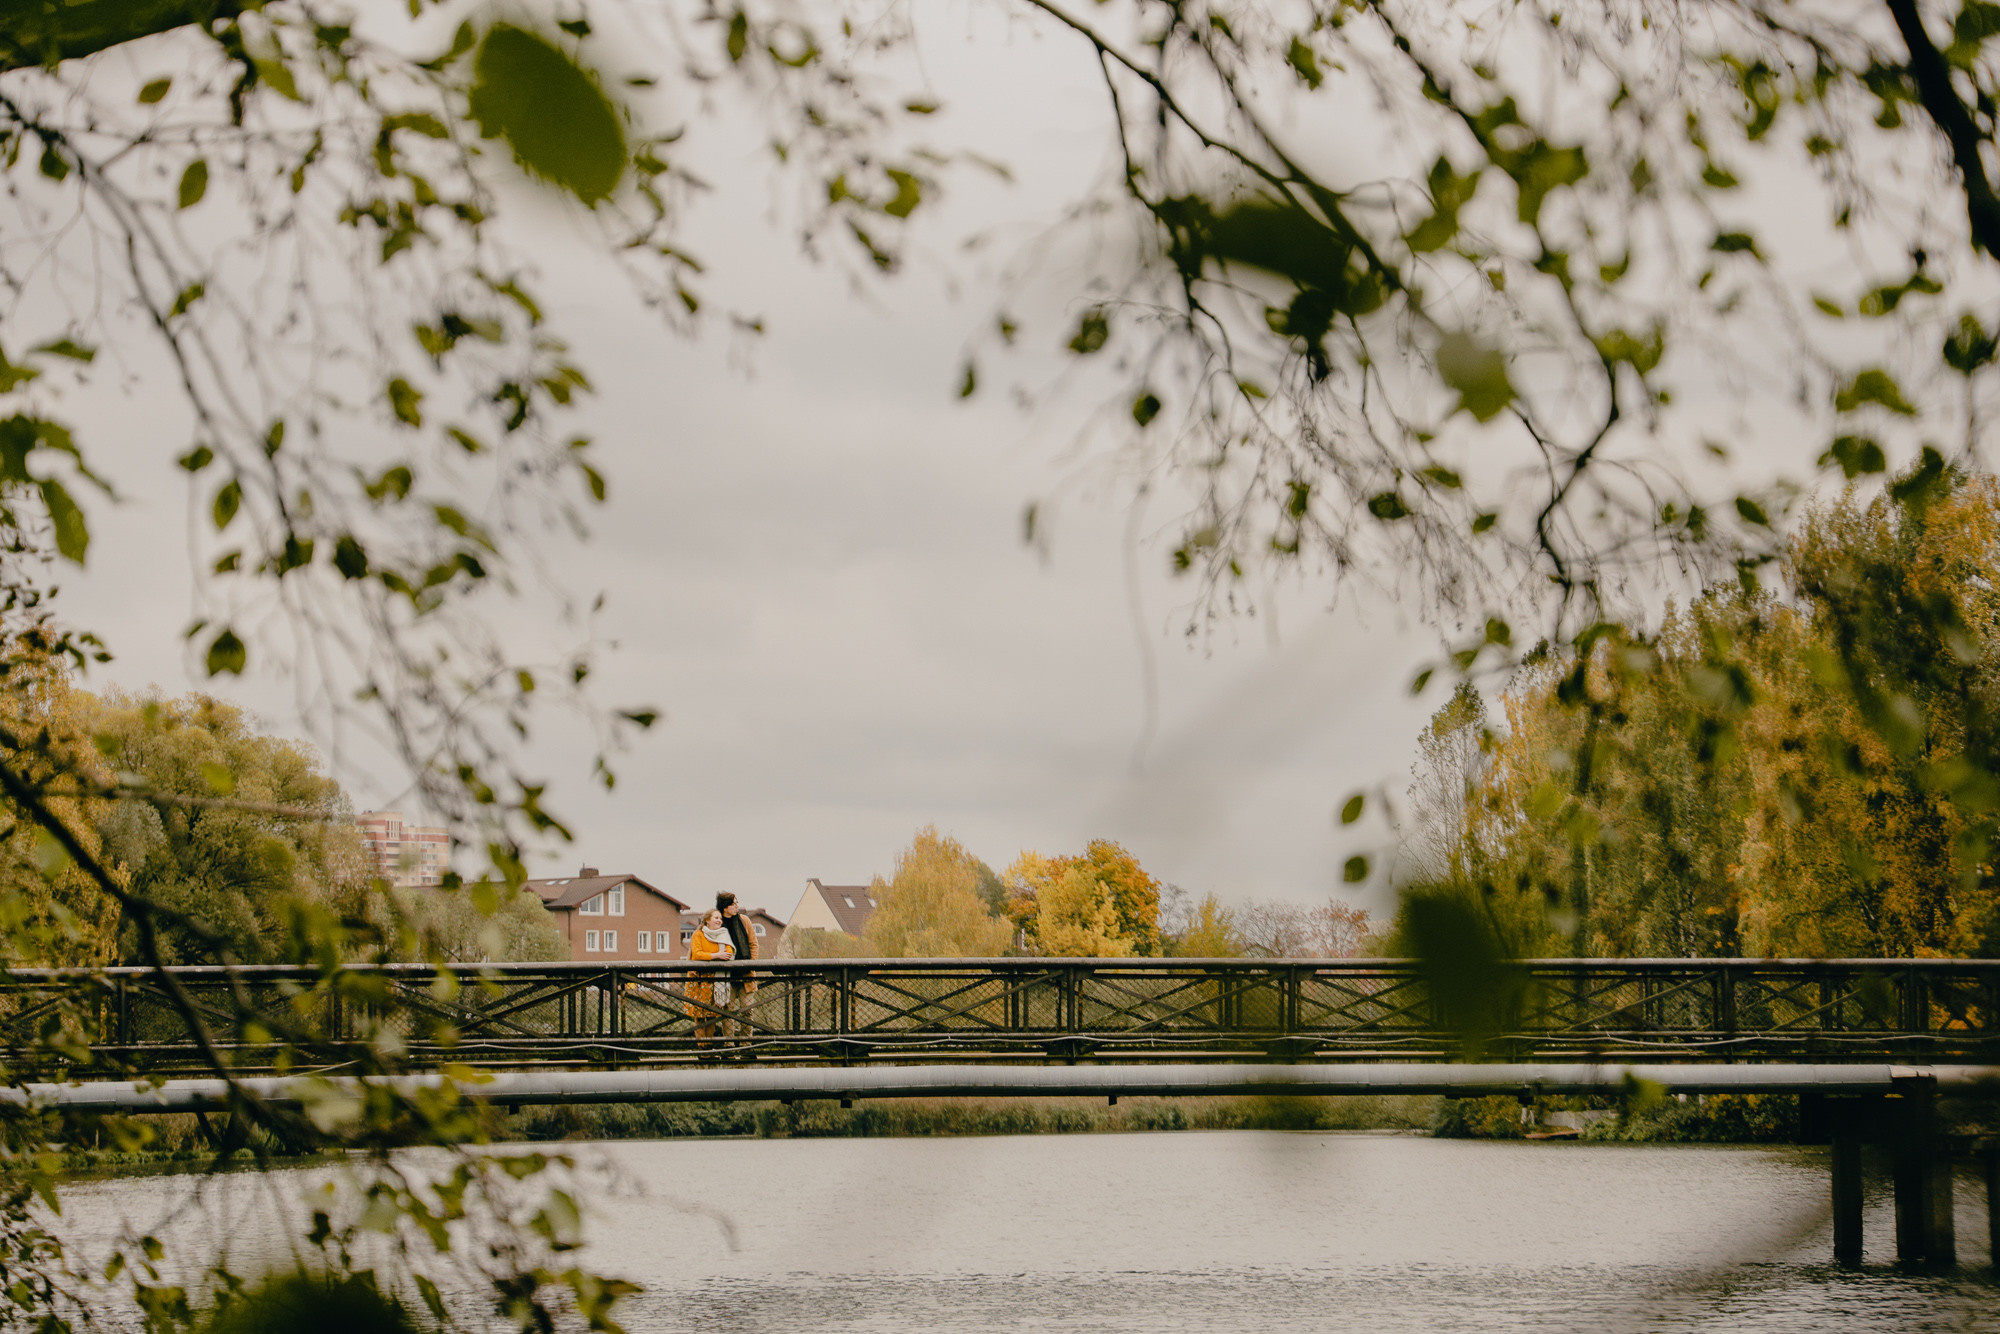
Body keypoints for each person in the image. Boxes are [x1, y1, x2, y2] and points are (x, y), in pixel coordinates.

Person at [685, 907, 735, 1045]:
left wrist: (713, 956)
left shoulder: (723, 935)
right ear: (707, 920)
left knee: (712, 1014)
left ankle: (709, 1045)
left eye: (720, 918)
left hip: (715, 980)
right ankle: (703, 1047)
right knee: (699, 1015)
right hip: (699, 980)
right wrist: (717, 955)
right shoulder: (698, 935)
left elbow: (729, 953)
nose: (719, 921)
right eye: (716, 918)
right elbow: (697, 954)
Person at [716, 892, 759, 1036]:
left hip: (746, 973)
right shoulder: (717, 922)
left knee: (747, 1009)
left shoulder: (744, 920)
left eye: (737, 903)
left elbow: (753, 944)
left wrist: (752, 964)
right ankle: (729, 1044)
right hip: (726, 975)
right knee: (727, 1011)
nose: (737, 906)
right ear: (725, 907)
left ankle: (746, 1042)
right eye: (733, 904)